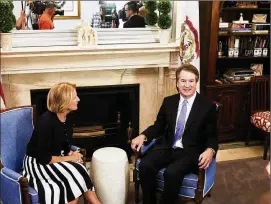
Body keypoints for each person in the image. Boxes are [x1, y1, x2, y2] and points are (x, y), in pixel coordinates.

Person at [131, 64, 218, 204]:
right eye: (183, 81)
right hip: (168, 146)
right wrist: (143, 135)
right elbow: (158, 126)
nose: (187, 85)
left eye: (191, 81)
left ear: (196, 82)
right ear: (177, 83)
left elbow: (212, 136)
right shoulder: (169, 101)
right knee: (145, 165)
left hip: (190, 151)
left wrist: (210, 150)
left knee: (171, 173)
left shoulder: (207, 106)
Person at [23, 82, 101, 204]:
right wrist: (70, 158)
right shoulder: (46, 122)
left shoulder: (67, 117)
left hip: (53, 157)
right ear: (65, 101)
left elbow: (64, 143)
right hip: (37, 163)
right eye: (75, 97)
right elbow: (44, 158)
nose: (79, 99)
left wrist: (70, 153)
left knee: (78, 172)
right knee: (78, 173)